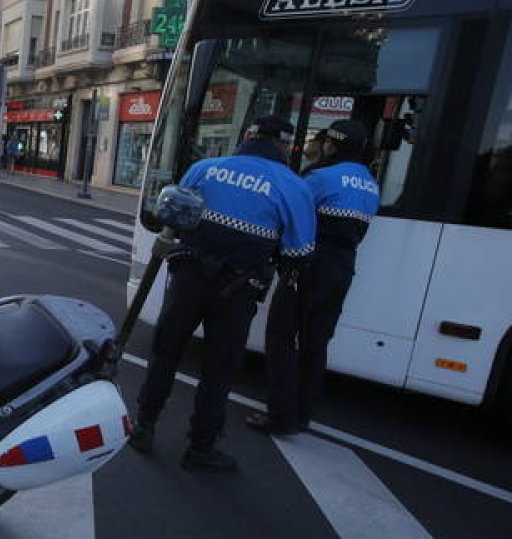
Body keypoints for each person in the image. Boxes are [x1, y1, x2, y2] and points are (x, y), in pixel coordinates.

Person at [129, 114, 316, 471]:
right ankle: (200, 447)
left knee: (165, 353)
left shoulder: (204, 168)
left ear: (247, 136)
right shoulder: (293, 186)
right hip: (238, 290)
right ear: (284, 146)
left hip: (186, 278)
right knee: (218, 369)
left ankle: (144, 427)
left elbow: (174, 218)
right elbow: (299, 253)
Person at [247, 119, 380, 435]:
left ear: (331, 144)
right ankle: (302, 415)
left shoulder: (319, 177)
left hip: (308, 264)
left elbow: (292, 214)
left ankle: (279, 414)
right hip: (343, 267)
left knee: (281, 336)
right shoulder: (371, 182)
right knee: (316, 343)